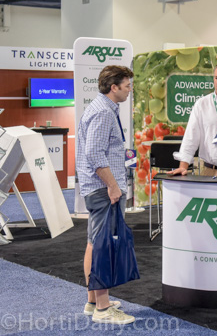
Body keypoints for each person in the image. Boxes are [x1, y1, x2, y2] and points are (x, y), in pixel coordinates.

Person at [76, 65, 135, 325]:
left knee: (94, 242)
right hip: (103, 189)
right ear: (114, 87)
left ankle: (93, 301)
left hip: (99, 188)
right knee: (103, 246)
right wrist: (112, 186)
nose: (130, 90)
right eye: (127, 85)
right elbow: (94, 153)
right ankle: (102, 308)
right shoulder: (102, 112)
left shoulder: (103, 108)